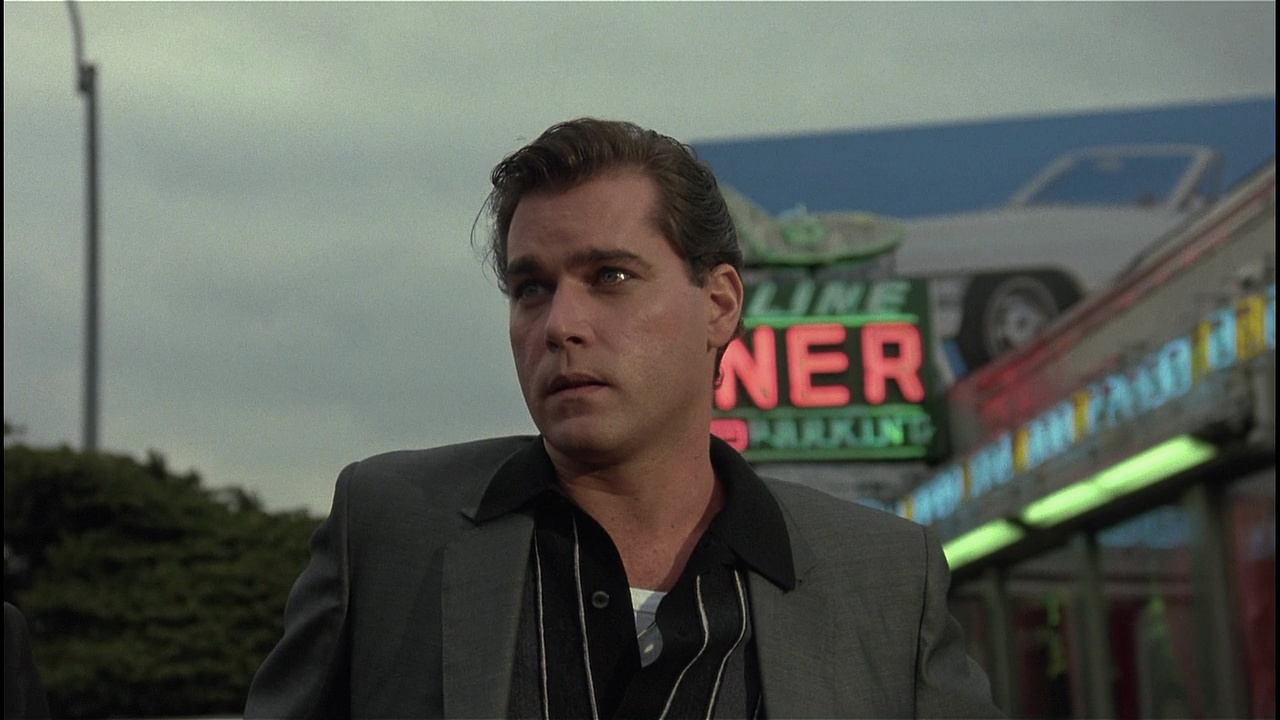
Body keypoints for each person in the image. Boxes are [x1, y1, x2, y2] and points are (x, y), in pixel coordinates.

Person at [245, 118, 999, 718]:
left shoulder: (881, 578)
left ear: (719, 304)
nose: (560, 325)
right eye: (531, 288)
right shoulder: (392, 529)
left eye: (610, 276)